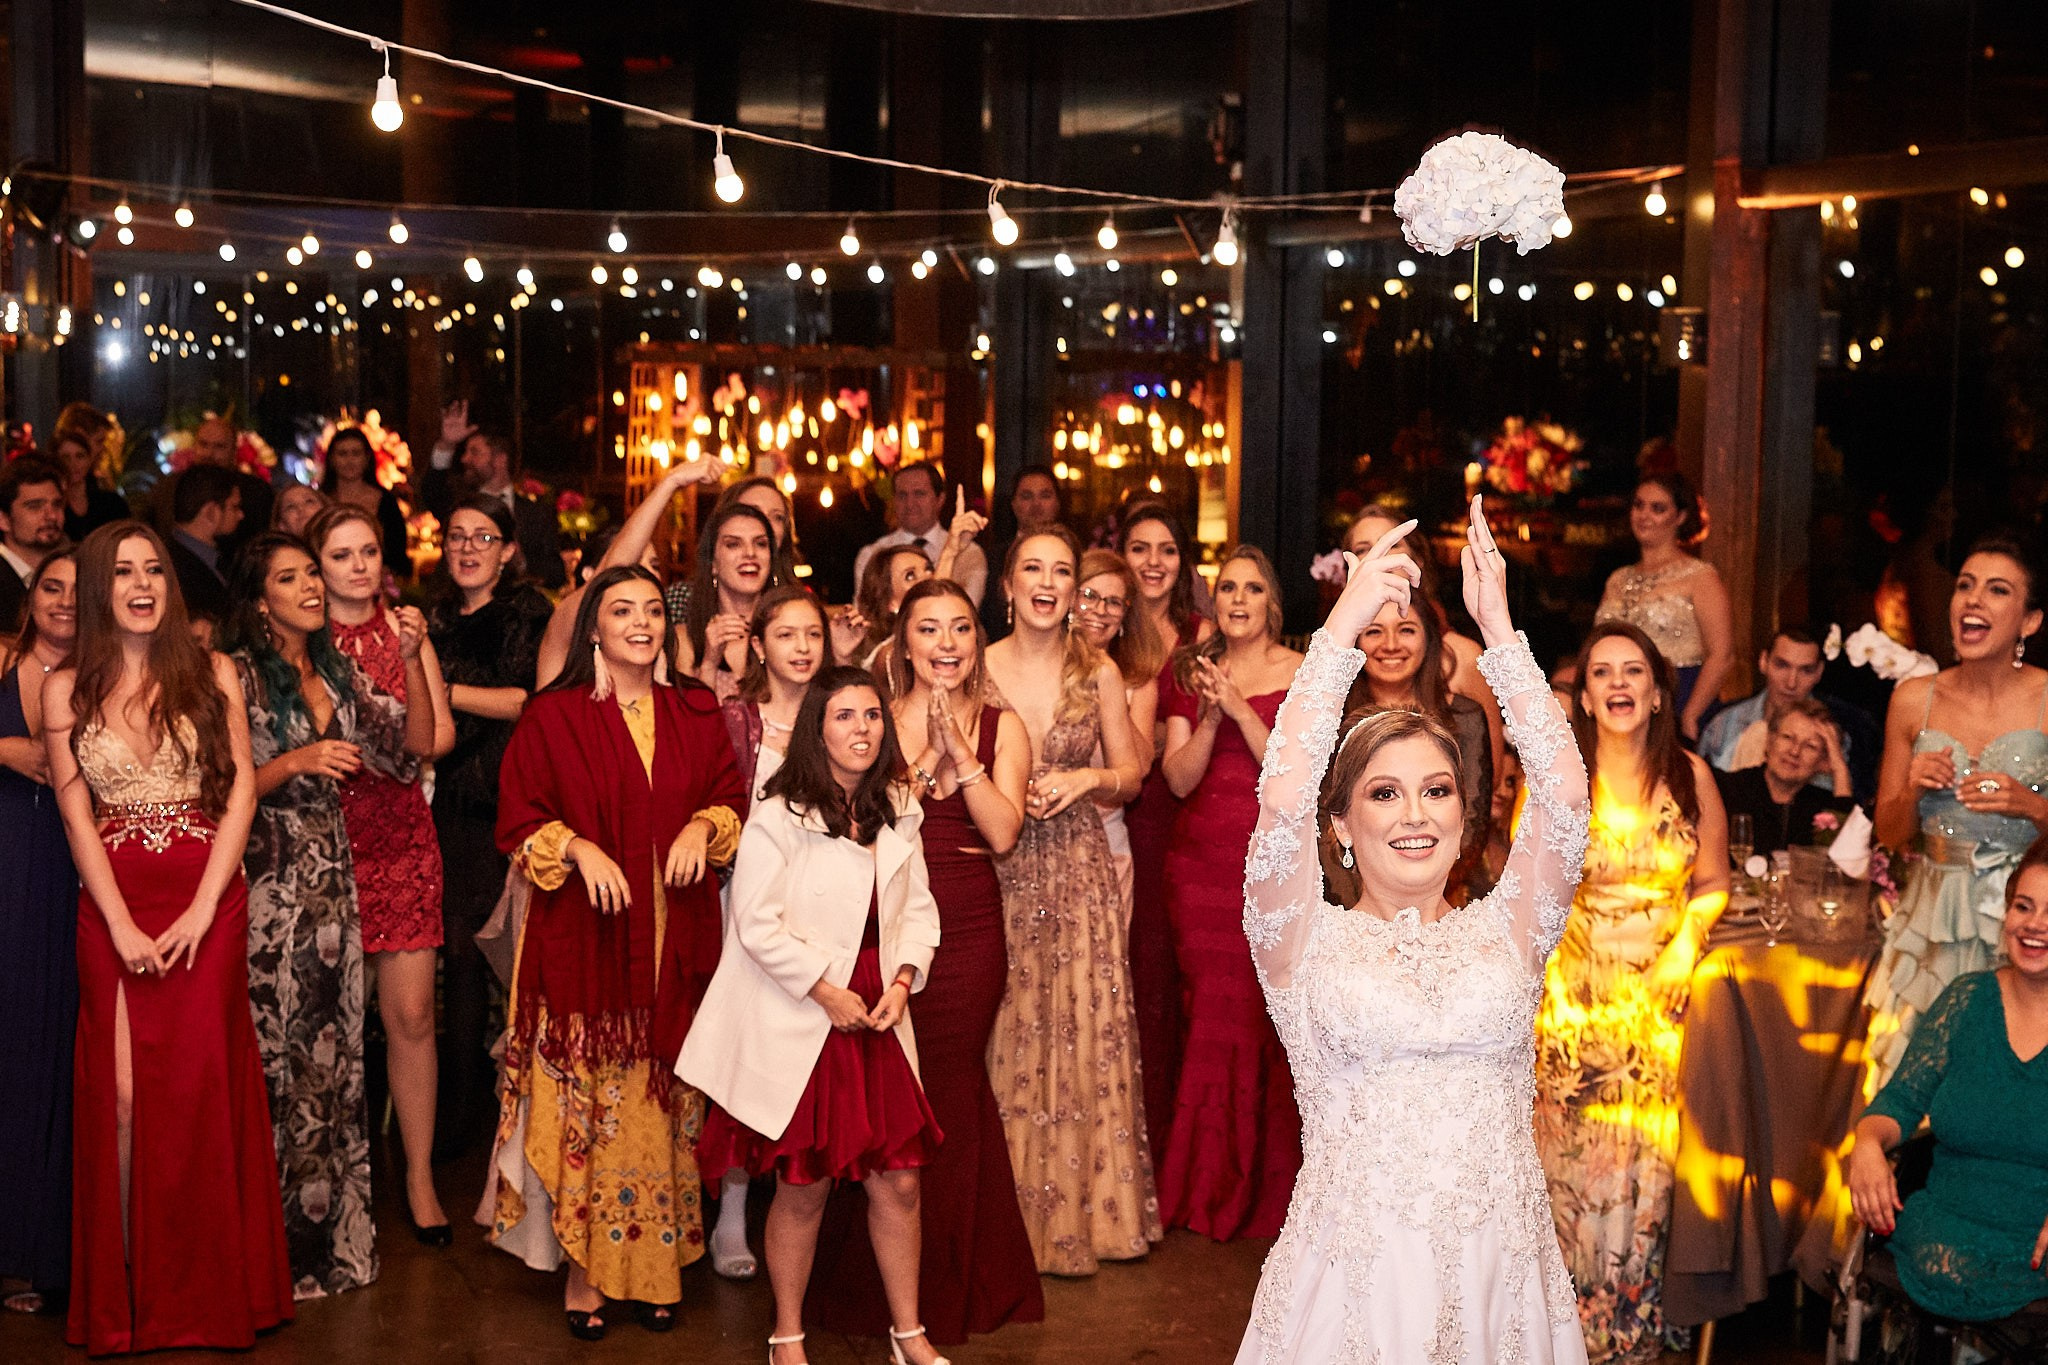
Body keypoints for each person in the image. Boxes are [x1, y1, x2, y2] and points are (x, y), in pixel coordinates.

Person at [1235, 498, 1589, 1363]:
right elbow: (1281, 798)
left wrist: (1499, 631)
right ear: (1341, 827)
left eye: (1436, 791)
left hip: (1501, 1279)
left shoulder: (1509, 930)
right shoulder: (1300, 942)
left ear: (1465, 818)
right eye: (1384, 793)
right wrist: (1342, 628)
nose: (1415, 814)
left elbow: (1567, 798)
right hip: (1353, 1290)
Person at [43, 521, 291, 1353]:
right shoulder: (65, 688)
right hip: (114, 904)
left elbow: (243, 792)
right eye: (123, 572)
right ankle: (131, 1298)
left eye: (153, 569)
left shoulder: (214, 671)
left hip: (207, 898)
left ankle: (210, 1295)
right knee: (120, 1097)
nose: (143, 583)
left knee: (199, 1092)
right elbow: (76, 812)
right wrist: (117, 920)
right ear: (98, 587)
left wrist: (203, 908)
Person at [488, 566, 745, 1338]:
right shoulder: (554, 716)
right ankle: (586, 1271)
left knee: (663, 1113)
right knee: (594, 1112)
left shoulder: (695, 710)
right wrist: (577, 847)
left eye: (652, 610)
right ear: (593, 629)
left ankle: (659, 1266)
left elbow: (731, 799)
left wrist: (701, 825)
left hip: (674, 949)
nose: (640, 622)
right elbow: (519, 818)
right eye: (621, 610)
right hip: (586, 952)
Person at [797, 579, 1043, 1343]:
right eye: (928, 628)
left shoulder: (1004, 725)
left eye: (960, 627)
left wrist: (962, 755)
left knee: (949, 1092)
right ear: (902, 640)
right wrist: (926, 748)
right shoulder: (871, 715)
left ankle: (949, 1285)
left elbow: (1003, 832)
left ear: (978, 639)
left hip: (966, 924)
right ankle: (866, 1288)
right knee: (879, 1095)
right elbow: (859, 819)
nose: (946, 642)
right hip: (878, 922)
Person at [682, 667, 947, 1365]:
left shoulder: (899, 807)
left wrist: (904, 978)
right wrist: (825, 990)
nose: (862, 729)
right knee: (804, 1185)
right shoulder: (779, 811)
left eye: (872, 715)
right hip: (807, 1010)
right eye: (844, 716)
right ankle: (787, 1335)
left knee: (901, 1181)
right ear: (817, 729)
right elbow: (754, 921)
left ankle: (908, 1333)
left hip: (878, 1007)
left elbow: (919, 910)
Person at [223, 532, 432, 1297]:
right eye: (291, 577)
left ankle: (318, 1247)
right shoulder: (236, 672)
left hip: (332, 885)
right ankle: (257, 1251)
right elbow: (216, 785)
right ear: (259, 600)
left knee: (331, 1055)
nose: (312, 585)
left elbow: (410, 751)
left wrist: (410, 657)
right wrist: (297, 760)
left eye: (312, 571)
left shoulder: (338, 669)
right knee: (269, 1056)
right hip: (266, 879)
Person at [1538, 619, 1730, 1362]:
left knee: (1641, 1173)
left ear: (1656, 693)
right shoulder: (1560, 782)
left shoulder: (1691, 776)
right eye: (1602, 672)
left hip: (1656, 1010)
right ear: (1584, 697)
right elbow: (1533, 898)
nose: (1618, 683)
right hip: (1573, 1011)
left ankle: (1629, 1325)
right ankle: (1561, 1327)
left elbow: (1713, 883)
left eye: (1633, 671)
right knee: (1571, 1175)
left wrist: (1686, 944)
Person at [983, 526, 1157, 1274]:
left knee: (1083, 1029)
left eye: (1062, 571)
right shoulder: (976, 665)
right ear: (1008, 586)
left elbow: (1132, 775)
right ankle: (1000, 1218)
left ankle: (1081, 1219)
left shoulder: (1100, 672)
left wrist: (1087, 779)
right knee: (1007, 1025)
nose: (1048, 583)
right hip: (994, 867)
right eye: (1034, 569)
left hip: (1078, 869)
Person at [309, 505, 457, 1244]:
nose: (359, 565)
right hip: (325, 839)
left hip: (401, 837)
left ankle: (419, 1176)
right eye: (341, 555)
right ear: (316, 567)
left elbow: (438, 737)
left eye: (367, 551)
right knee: (329, 1025)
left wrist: (412, 652)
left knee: (413, 1016)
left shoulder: (406, 629)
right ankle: (332, 1182)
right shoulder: (301, 641)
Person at [1157, 545, 1304, 1241]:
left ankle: (1256, 1193)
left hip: (1271, 865)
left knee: (1257, 1021)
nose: (1238, 599)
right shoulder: (1188, 670)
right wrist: (1212, 715)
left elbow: (1297, 776)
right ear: (1213, 602)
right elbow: (1177, 777)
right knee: (1210, 1021)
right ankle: (1200, 1187)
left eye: (1252, 588)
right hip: (1200, 869)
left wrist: (1242, 711)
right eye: (1227, 588)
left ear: (1272, 602)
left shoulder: (1301, 672)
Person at [1866, 535, 2048, 1089]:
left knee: (2007, 1084)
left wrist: (2032, 807)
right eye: (1965, 585)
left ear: (2030, 621)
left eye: (1997, 590)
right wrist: (1912, 792)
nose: (1973, 599)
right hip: (1934, 914)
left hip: (2025, 916)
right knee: (1912, 1079)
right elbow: (1889, 834)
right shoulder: (1913, 699)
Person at [1846, 839, 2048, 1325]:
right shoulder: (1966, 1000)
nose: (2035, 925)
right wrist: (1867, 1143)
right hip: (1940, 1229)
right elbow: (1899, 1101)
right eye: (2024, 906)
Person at [426, 495, 553, 1153]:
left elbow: (527, 700)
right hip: (446, 804)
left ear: (507, 550)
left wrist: (440, 691)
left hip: (509, 804)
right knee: (459, 960)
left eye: (483, 537)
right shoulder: (434, 619)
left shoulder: (526, 612)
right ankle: (460, 1112)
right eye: (457, 535)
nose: (468, 548)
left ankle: (526, 1114)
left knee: (513, 961)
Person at [1115, 500, 1209, 1167]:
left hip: (1184, 815)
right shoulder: (1105, 628)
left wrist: (1147, 740)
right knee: (1127, 964)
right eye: (1140, 548)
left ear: (1183, 560)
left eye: (1167, 549)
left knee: (1172, 971)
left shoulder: (1204, 633)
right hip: (1115, 814)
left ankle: (1173, 1137)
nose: (1153, 562)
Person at [0, 549, 78, 1315]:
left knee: (53, 1054)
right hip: (4, 867)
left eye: (79, 591)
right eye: (51, 587)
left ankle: (39, 1251)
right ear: (31, 596)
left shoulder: (104, 680)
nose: (64, 601)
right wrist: (7, 748)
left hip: (68, 874)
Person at [1329, 584, 1496, 903]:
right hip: (1352, 904)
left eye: (1406, 630)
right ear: (1355, 643)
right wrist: (1363, 910)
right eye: (1374, 631)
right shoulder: (1333, 720)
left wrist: (1419, 898)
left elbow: (1472, 825)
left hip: (1443, 899)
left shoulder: (1464, 717)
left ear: (1429, 640)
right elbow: (1325, 820)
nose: (1391, 644)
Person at [1343, 502, 1503, 778]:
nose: (1379, 557)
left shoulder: (1463, 655)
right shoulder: (1336, 654)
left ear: (1417, 561)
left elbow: (1488, 773)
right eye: (1363, 549)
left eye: (1392, 544)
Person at [1594, 472, 1733, 738]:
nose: (1644, 515)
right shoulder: (1617, 579)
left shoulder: (1700, 577)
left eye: (1657, 508)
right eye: (1639, 505)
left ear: (1680, 516)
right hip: (1618, 697)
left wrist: (1691, 714)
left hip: (1677, 696)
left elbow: (1722, 655)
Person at [1074, 548, 1166, 907]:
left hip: (1107, 841)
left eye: (1113, 602)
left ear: (1125, 615)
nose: (1100, 610)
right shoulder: (1042, 667)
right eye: (1089, 595)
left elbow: (1139, 767)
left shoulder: (1137, 681)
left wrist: (1104, 676)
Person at [1697, 625, 1879, 802]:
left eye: (1806, 670)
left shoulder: (1838, 731)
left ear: (1819, 673)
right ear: (1763, 662)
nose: (1791, 683)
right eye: (1782, 665)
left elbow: (1845, 809)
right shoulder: (1724, 723)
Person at [423, 402, 564, 590]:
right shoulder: (459, 503)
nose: (465, 459)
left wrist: (521, 563)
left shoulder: (537, 513)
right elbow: (432, 491)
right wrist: (446, 445)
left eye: (475, 452)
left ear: (500, 459)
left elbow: (556, 573)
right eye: (465, 452)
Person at [1712, 699, 1855, 857]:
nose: (1794, 751)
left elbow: (1848, 857)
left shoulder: (1825, 808)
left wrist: (1840, 770)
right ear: (1769, 741)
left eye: (1810, 746)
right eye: (1788, 737)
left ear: (1824, 761)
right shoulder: (1727, 789)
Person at [680, 503, 778, 702]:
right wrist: (709, 664)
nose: (750, 553)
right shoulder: (684, 640)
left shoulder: (788, 631)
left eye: (760, 544)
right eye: (733, 544)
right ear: (713, 563)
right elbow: (689, 719)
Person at [851, 463, 985, 608]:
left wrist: (949, 554)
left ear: (940, 499)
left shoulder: (968, 553)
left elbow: (964, 610)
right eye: (902, 495)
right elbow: (866, 612)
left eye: (919, 494)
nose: (910, 504)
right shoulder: (873, 554)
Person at [980, 464, 1065, 639]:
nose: (1036, 504)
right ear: (1013, 504)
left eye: (1045, 496)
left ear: (1058, 503)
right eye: (1027, 496)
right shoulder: (992, 560)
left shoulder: (1072, 558)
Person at [320, 427, 410, 579]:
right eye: (342, 454)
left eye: (356, 453)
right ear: (332, 459)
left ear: (367, 458)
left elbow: (397, 551)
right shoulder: (319, 500)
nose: (349, 461)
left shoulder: (386, 501)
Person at [164, 463, 243, 628]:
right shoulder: (174, 567)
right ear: (211, 512)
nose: (241, 515)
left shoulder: (220, 557)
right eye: (234, 507)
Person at [0, 455, 67, 637]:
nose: (51, 516)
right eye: (34, 506)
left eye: (57, 505)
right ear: (3, 519)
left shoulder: (72, 572)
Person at [51, 404, 129, 543]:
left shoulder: (110, 502)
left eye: (80, 456)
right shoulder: (50, 506)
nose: (102, 449)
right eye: (99, 441)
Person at [854, 545, 933, 667]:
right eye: (910, 576)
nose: (928, 577)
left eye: (929, 569)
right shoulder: (888, 656)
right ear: (891, 603)